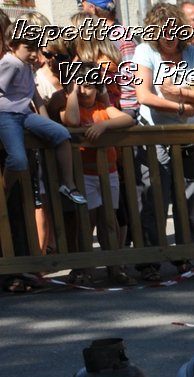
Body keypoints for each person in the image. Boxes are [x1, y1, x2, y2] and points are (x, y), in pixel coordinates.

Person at [130, 2, 194, 278]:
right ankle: (150, 258)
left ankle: (185, 255)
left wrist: (178, 92)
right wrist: (181, 105)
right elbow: (145, 97)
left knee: (187, 197)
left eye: (174, 29)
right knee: (154, 197)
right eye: (163, 30)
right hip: (152, 134)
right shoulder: (145, 51)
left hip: (185, 134)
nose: (169, 35)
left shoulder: (193, 54)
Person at [58, 58, 132, 282]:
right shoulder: (70, 108)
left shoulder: (104, 109)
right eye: (79, 84)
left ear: (98, 87)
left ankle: (114, 266)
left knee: (108, 220)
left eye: (88, 85)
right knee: (86, 221)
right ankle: (85, 267)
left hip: (108, 172)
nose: (83, 90)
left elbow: (129, 118)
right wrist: (71, 90)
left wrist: (104, 125)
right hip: (85, 175)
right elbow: (70, 120)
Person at [0, 27, 90, 211]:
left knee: (61, 134)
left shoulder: (25, 65)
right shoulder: (10, 63)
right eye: (28, 48)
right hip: (6, 115)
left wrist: (46, 121)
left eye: (36, 48)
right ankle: (4, 192)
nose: (34, 54)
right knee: (18, 160)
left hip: (24, 114)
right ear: (12, 46)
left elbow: (33, 94)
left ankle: (67, 184)